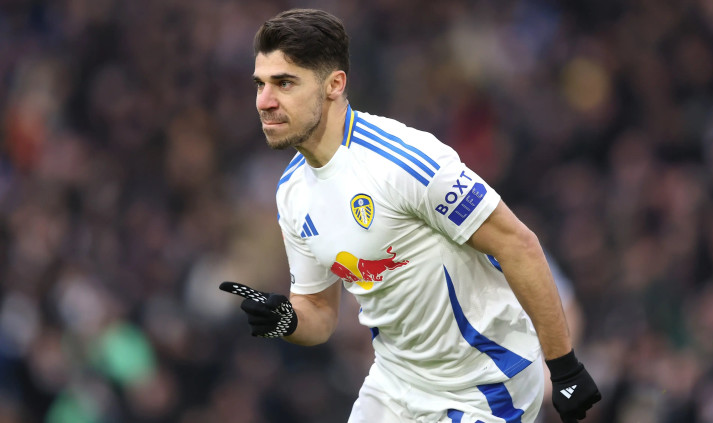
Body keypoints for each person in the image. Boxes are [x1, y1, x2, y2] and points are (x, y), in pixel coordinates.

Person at [221, 8, 601, 423]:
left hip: (484, 385)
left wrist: (564, 367)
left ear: (334, 85)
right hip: (394, 385)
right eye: (260, 84)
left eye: (284, 83)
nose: (265, 101)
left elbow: (518, 245)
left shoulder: (405, 163)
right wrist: (288, 321)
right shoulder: (291, 192)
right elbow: (320, 312)